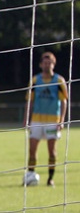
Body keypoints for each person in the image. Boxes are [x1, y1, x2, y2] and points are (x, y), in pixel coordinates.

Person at [24, 51, 68, 187]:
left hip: (52, 120)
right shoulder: (35, 80)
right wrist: (27, 119)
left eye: (50, 63)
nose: (47, 65)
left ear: (53, 65)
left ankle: (50, 178)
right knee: (32, 150)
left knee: (52, 151)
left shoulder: (59, 81)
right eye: (45, 63)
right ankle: (30, 175)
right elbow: (30, 101)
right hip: (37, 119)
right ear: (40, 64)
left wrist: (61, 120)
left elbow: (64, 101)